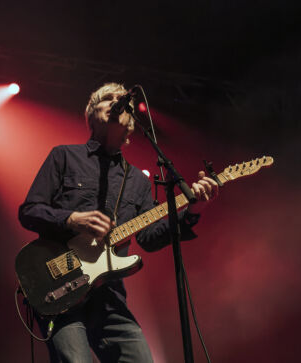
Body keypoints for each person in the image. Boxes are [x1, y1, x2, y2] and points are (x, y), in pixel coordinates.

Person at [18, 82, 219, 363]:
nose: (116, 102)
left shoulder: (137, 179)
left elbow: (149, 238)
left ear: (131, 126)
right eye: (108, 98)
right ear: (92, 114)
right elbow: (29, 211)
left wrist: (192, 205)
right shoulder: (63, 156)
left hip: (109, 294)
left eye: (120, 100)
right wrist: (72, 219)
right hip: (59, 286)